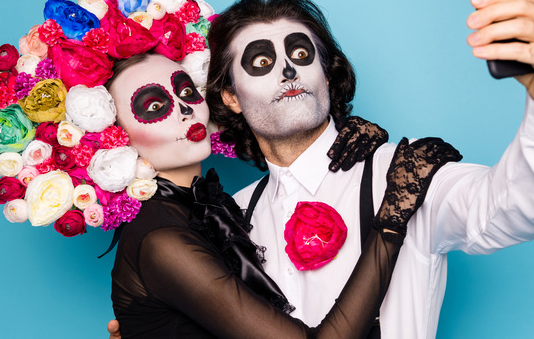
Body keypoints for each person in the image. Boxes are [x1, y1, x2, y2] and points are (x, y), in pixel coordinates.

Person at [109, 0, 534, 338]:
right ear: (230, 97)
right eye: (260, 62)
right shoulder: (228, 216)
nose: (287, 69)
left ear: (328, 73)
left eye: (302, 54)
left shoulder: (405, 175)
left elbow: (512, 208)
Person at [106, 52, 461, 338]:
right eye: (154, 107)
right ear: (115, 139)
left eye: (186, 92)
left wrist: (342, 136)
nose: (185, 109)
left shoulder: (213, 209)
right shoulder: (161, 239)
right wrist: (392, 218)